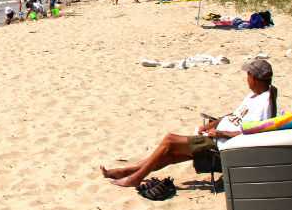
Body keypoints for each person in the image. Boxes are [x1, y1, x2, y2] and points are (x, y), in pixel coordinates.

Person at [100, 59, 276, 187]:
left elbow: (255, 133)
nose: (246, 78)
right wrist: (210, 125)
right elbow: (233, 115)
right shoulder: (253, 95)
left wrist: (221, 133)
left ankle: (135, 178)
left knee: (169, 140)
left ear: (255, 78)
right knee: (170, 155)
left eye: (248, 75)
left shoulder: (264, 104)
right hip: (214, 138)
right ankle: (127, 172)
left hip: (220, 146)